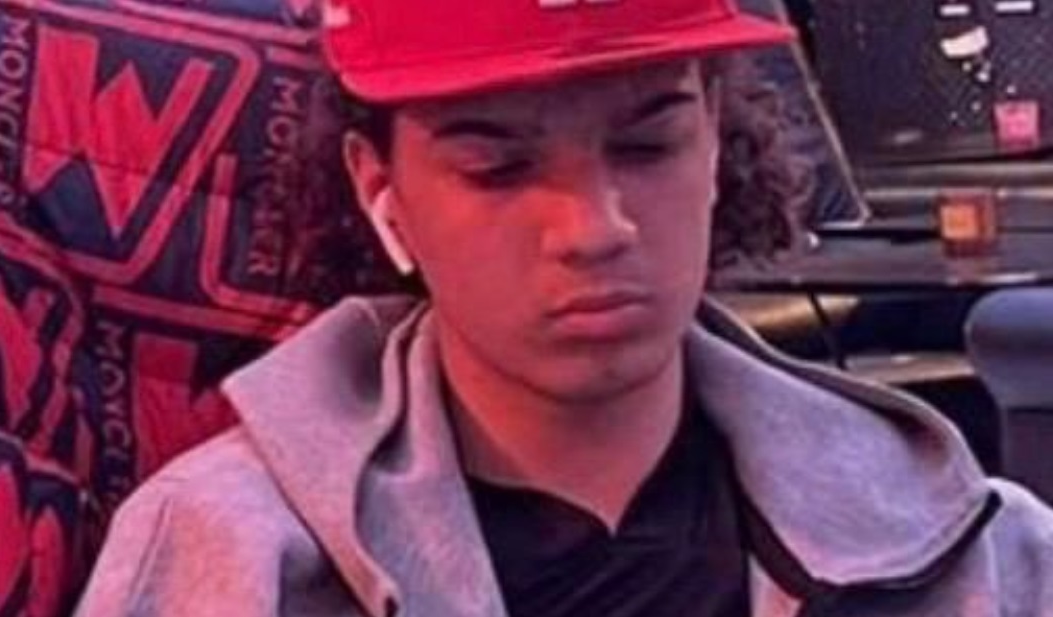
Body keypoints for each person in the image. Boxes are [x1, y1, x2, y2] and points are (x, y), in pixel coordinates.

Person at [77, 0, 1053, 615]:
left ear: (715, 138)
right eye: (496, 166)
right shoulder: (224, 554)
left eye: (646, 146)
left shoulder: (979, 548)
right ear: (380, 188)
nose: (592, 227)